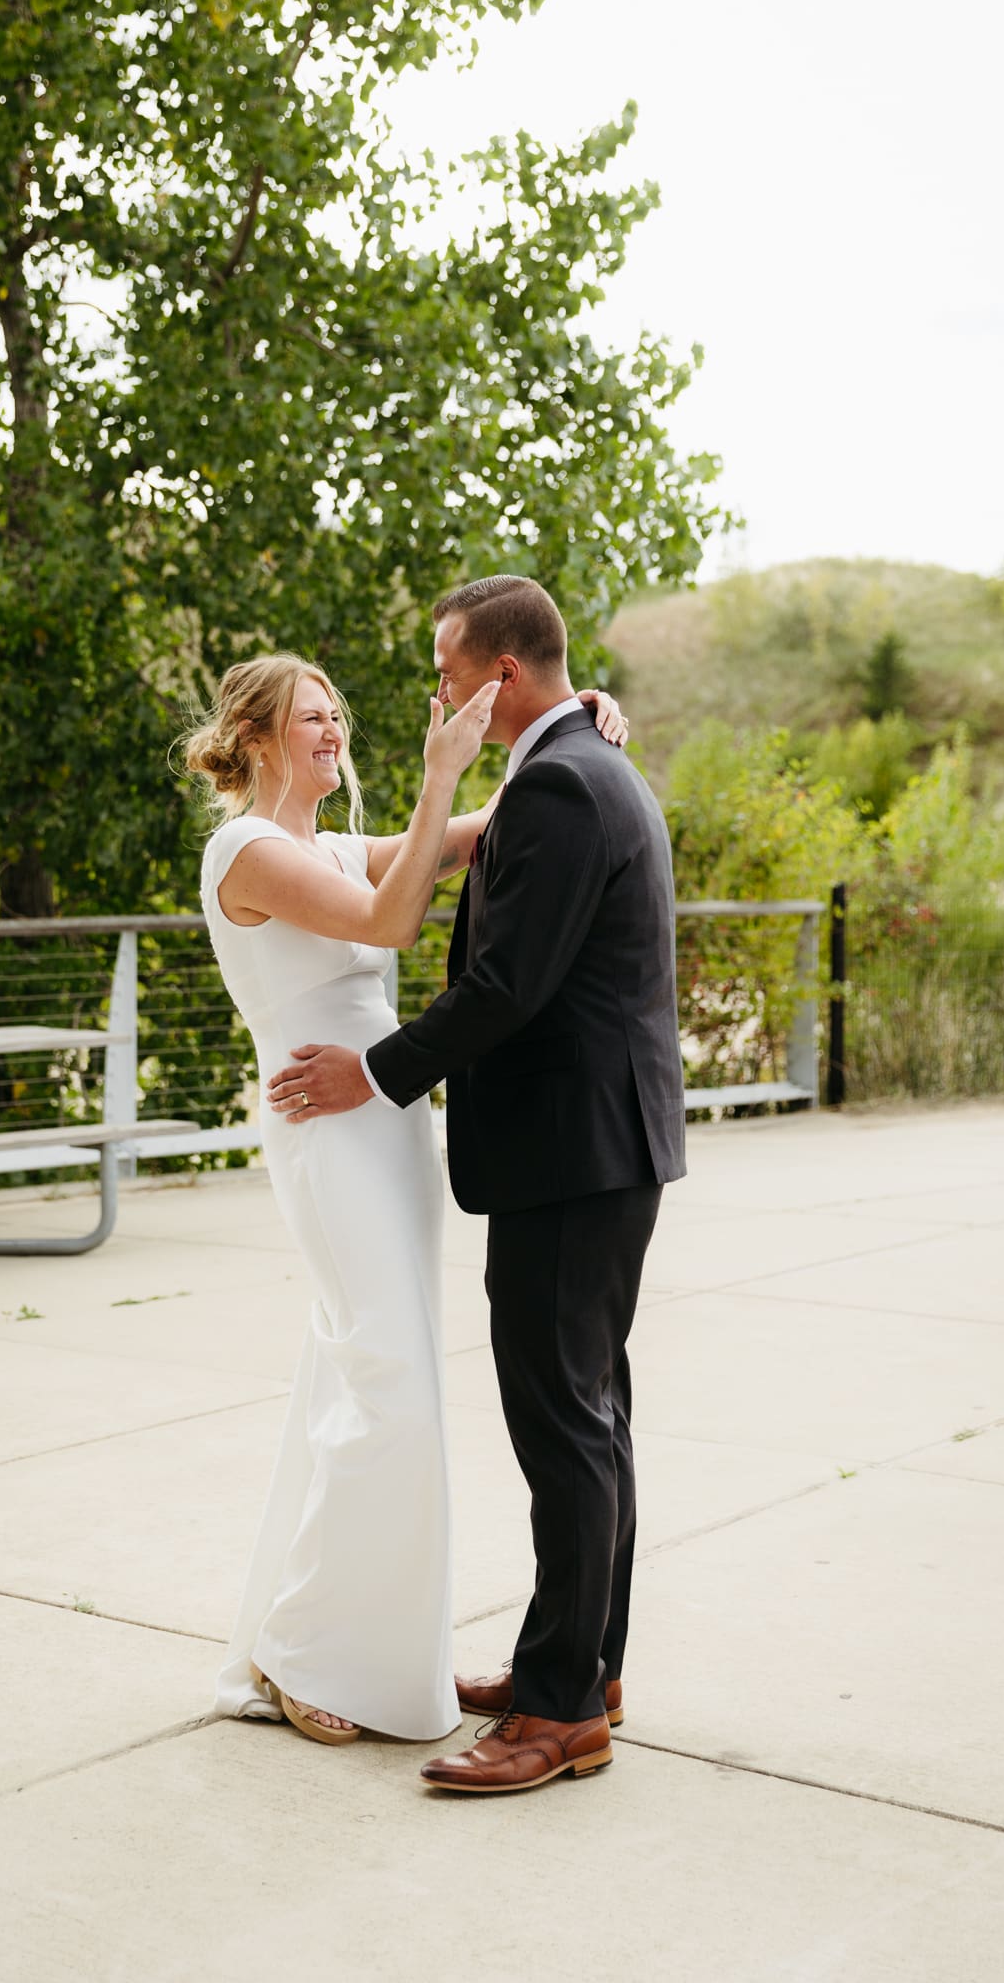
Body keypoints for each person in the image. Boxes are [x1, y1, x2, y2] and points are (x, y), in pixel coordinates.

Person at [267, 575, 685, 1795]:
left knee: (565, 1426)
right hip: (603, 1149)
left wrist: (373, 1073)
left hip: (571, 1154)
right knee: (591, 1415)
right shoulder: (587, 766)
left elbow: (506, 987)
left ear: (501, 672)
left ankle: (561, 1712)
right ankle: (581, 1661)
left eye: (449, 668)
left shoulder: (563, 780)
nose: (437, 690)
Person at [188, 651, 627, 1746]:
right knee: (389, 1384)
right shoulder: (245, 849)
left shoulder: (327, 844)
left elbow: (473, 831)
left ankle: (328, 1640)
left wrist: (574, 721)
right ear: (254, 739)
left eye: (337, 713)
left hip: (388, 1130)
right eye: (311, 717)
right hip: (327, 1133)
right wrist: (439, 771)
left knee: (369, 1372)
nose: (334, 730)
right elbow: (389, 922)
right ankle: (302, 1647)